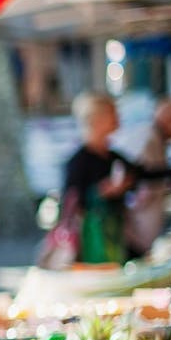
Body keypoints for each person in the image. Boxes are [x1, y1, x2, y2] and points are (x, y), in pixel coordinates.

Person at [61, 91, 139, 264]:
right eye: (113, 113)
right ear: (98, 120)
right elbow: (71, 202)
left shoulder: (112, 155)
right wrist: (100, 192)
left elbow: (141, 173)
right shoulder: (78, 161)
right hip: (91, 239)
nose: (118, 118)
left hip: (115, 235)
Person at [124, 97, 171, 256]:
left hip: (145, 226)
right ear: (170, 119)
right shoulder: (149, 139)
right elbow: (144, 179)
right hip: (137, 228)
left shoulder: (155, 138)